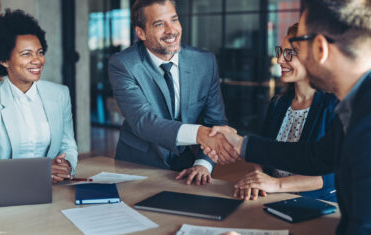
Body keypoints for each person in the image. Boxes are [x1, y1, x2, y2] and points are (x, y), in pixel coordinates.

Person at [204, 0, 371, 233]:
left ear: (320, 48)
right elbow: (316, 157)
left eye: (297, 45)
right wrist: (241, 144)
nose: (281, 60)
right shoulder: (354, 105)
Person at [108, 0, 238, 185]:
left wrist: (203, 164)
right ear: (141, 32)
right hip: (136, 164)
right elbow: (143, 121)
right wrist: (199, 133)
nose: (171, 30)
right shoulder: (123, 64)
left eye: (174, 20)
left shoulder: (205, 62)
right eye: (159, 24)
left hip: (186, 166)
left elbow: (215, 121)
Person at [234, 23, 337, 202]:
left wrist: (275, 184)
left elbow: (332, 175)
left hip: (317, 204)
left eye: (289, 53)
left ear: (312, 58)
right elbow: (262, 149)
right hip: (270, 198)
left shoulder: (333, 106)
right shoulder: (278, 103)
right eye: (280, 52)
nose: (280, 60)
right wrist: (257, 179)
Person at [0, 10, 77, 183]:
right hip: (3, 188)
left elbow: (67, 144)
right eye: (26, 54)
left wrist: (65, 166)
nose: (38, 60)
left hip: (52, 187)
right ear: (4, 60)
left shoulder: (59, 94)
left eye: (39, 52)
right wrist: (37, 173)